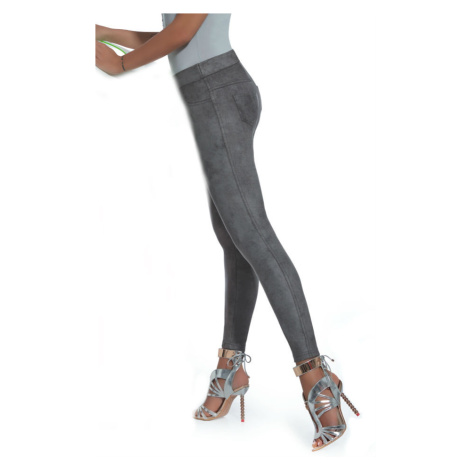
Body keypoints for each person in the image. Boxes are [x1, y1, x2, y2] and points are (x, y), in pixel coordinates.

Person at [95, 13, 359, 452]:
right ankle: (231, 367)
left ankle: (316, 376)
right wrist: (103, 33)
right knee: (235, 240)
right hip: (209, 94)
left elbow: (184, 32)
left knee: (253, 237)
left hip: (216, 93)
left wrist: (120, 63)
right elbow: (175, 35)